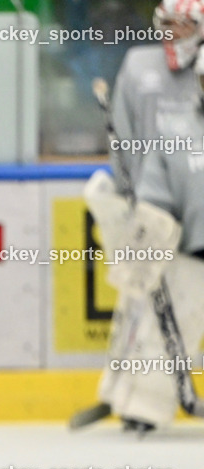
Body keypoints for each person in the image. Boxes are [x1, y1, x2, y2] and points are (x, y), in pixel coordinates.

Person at [80, 0, 204, 432]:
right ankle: (125, 394)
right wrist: (130, 185)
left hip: (191, 208)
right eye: (166, 24)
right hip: (151, 200)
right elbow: (125, 132)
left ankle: (146, 400)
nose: (172, 32)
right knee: (139, 301)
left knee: (179, 308)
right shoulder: (139, 65)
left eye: (182, 25)